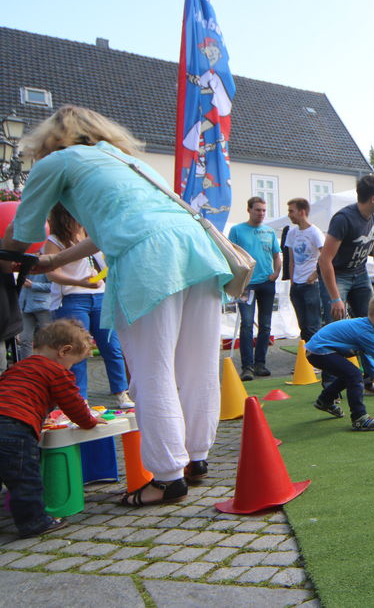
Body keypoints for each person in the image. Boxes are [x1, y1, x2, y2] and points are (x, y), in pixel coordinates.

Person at [5, 104, 232, 507]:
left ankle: (167, 477)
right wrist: (57, 261)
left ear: (50, 139)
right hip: (198, 250)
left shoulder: (57, 162)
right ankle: (196, 458)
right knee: (198, 365)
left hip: (149, 258)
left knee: (151, 369)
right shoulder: (127, 161)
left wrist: (11, 256)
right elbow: (119, 224)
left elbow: (21, 234)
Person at [0, 319, 104, 537]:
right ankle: (34, 522)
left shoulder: (18, 367)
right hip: (15, 428)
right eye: (73, 363)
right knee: (25, 479)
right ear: (64, 351)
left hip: (7, 419)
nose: (70, 368)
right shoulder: (56, 371)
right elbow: (72, 403)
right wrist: (89, 421)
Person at [43, 204, 132, 406]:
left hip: (100, 296)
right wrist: (79, 282)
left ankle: (121, 392)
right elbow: (51, 273)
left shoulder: (92, 234)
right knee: (76, 350)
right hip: (72, 298)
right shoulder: (55, 240)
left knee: (112, 347)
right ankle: (79, 399)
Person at [305, 292, 374, 431]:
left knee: (349, 375)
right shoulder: (366, 332)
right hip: (320, 351)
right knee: (354, 374)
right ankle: (359, 417)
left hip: (316, 351)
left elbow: (365, 353)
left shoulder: (366, 327)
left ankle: (325, 400)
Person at [318, 175, 374, 321]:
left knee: (369, 320)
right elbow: (324, 260)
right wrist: (335, 298)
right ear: (373, 199)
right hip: (337, 274)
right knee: (336, 321)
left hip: (360, 271)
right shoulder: (343, 219)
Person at [228, 197, 281, 381]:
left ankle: (260, 364)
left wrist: (276, 273)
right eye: (258, 210)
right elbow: (231, 254)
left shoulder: (269, 231)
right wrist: (236, 278)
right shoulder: (237, 230)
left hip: (266, 283)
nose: (261, 213)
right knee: (247, 324)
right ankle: (247, 367)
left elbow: (276, 254)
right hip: (247, 284)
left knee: (265, 325)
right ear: (249, 210)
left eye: (264, 210)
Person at [285, 198, 324, 342]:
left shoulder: (315, 232)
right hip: (297, 284)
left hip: (311, 285)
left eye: (291, 211)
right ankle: (306, 352)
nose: (289, 214)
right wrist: (292, 281)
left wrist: (315, 275)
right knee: (303, 326)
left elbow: (326, 256)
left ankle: (316, 352)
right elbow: (291, 260)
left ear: (302, 212)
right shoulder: (292, 233)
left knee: (313, 324)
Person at [16, 273, 52, 364]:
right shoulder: (24, 267)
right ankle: (26, 366)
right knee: (25, 339)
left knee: (49, 339)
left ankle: (48, 365)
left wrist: (33, 285)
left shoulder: (47, 267)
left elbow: (54, 287)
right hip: (25, 306)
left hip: (43, 306)